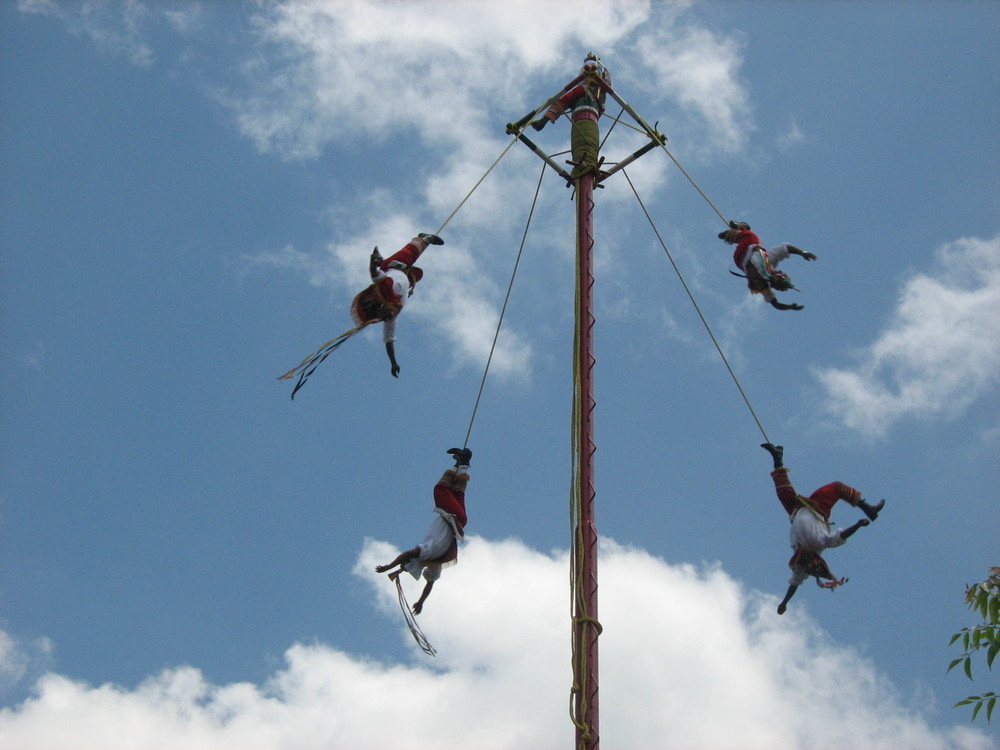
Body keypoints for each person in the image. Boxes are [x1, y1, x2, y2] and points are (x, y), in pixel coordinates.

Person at [760, 442, 885, 615]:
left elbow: (794, 584)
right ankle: (868, 508)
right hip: (817, 507)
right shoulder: (820, 543)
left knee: (783, 491)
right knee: (836, 487)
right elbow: (840, 536)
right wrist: (858, 525)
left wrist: (784, 603)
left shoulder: (800, 566)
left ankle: (777, 457)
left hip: (796, 510)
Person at [375, 447, 472, 615]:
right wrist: (389, 566)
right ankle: (460, 463)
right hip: (451, 516)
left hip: (459, 521)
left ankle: (462, 463)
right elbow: (408, 554)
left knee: (457, 493)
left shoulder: (435, 562)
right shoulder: (428, 553)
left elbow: (430, 584)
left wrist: (421, 602)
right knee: (440, 490)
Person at [350, 232, 444, 377]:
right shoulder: (396, 303)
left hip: (391, 266)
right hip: (394, 270)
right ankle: (424, 239)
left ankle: (424, 239)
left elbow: (376, 276)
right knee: (409, 254)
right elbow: (389, 339)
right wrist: (393, 362)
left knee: (409, 253)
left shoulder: (389, 290)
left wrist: (373, 264)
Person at [529, 53, 611, 180]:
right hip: (585, 111)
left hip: (592, 112)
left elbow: (605, 84)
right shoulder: (582, 90)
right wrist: (544, 120)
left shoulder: (598, 95)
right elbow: (561, 103)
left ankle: (587, 167)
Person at [718, 221, 816, 311]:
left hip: (742, 259)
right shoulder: (770, 262)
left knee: (749, 235)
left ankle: (734, 231)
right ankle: (735, 230)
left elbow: (775, 304)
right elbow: (786, 248)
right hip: (746, 252)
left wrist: (789, 307)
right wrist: (803, 252)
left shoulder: (764, 285)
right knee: (749, 235)